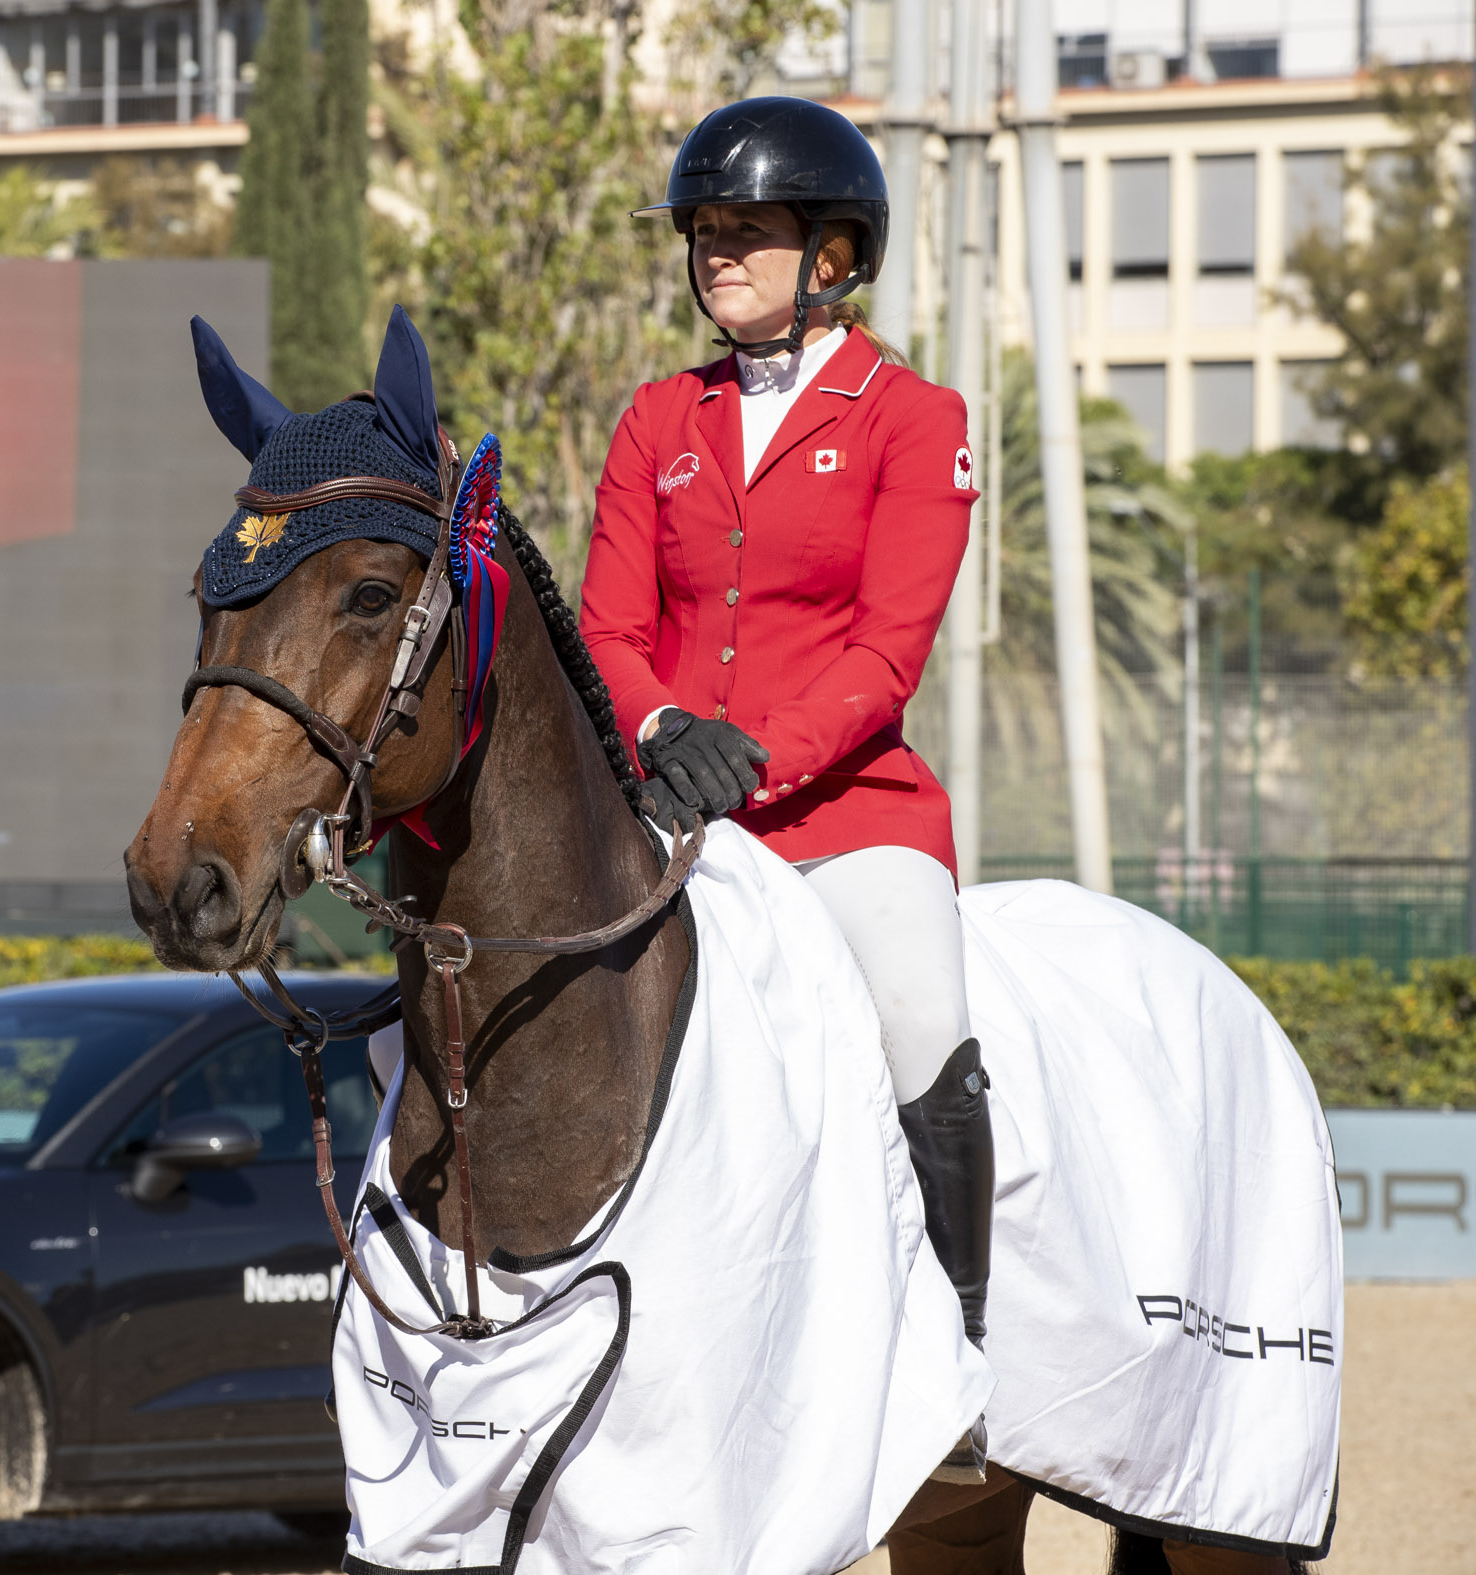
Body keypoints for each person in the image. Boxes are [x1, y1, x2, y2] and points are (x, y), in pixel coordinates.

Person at [578, 96, 993, 1484]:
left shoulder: (913, 419)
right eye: (703, 232)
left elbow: (885, 652)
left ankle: (957, 1364)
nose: (713, 254)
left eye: (744, 232)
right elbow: (607, 630)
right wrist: (668, 727)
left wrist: (748, 757)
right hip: (669, 802)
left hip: (846, 818)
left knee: (921, 1018)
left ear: (831, 253)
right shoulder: (658, 419)